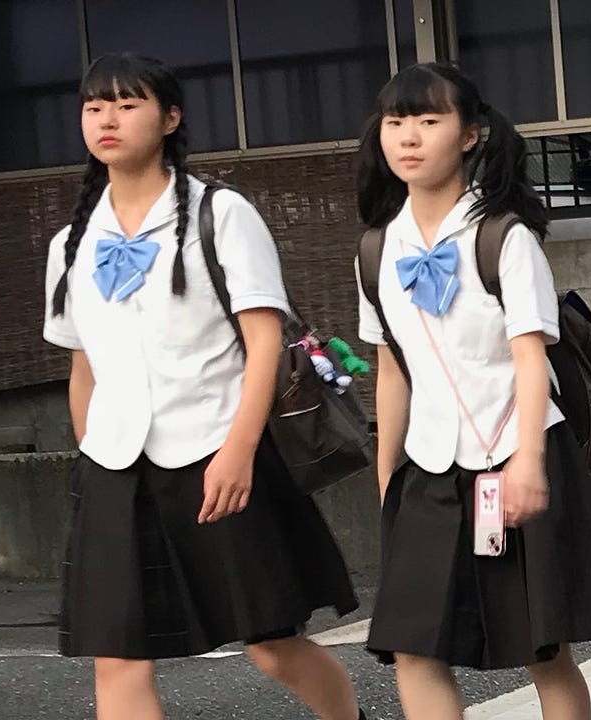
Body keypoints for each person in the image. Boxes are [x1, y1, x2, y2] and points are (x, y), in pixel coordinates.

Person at [43, 52, 365, 720]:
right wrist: (93, 454)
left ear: (170, 118)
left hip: (218, 452)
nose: (108, 118)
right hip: (113, 469)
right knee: (119, 660)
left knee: (272, 645)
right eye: (95, 105)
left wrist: (240, 452)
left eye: (128, 104)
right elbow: (83, 367)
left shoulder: (222, 213)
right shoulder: (70, 242)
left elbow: (265, 341)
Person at [355, 62, 591, 720]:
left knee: (541, 650)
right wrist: (386, 476)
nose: (409, 135)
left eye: (430, 120)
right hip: (427, 469)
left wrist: (530, 466)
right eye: (397, 121)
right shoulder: (375, 249)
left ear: (470, 135)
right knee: (413, 647)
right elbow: (392, 367)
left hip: (517, 455)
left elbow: (529, 355)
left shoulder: (503, 239)